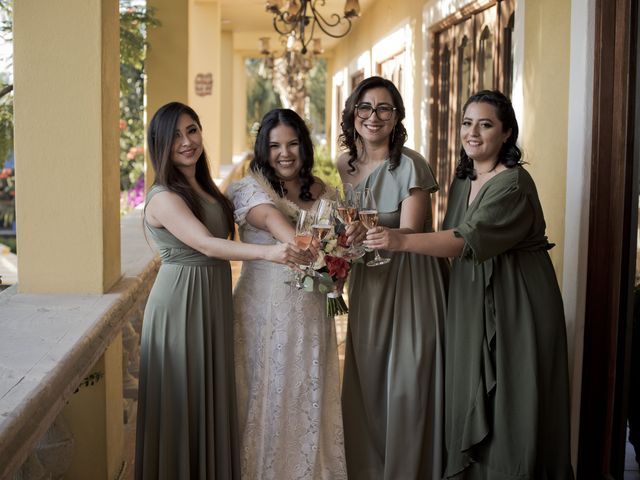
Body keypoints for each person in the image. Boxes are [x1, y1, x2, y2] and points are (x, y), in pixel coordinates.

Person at [365, 90, 575, 479]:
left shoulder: (513, 184)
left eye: (486, 124)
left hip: (516, 305)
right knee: (466, 395)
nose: (473, 133)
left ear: (507, 133)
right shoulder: (464, 178)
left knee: (511, 408)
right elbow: (449, 244)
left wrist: (400, 239)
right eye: (466, 123)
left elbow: (463, 239)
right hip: (468, 299)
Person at [135, 102, 308, 480]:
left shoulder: (204, 186)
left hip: (211, 301)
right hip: (181, 306)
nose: (186, 141)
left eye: (192, 130)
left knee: (208, 400)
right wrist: (271, 253)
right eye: (176, 135)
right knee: (184, 403)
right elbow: (208, 245)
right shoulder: (164, 195)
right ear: (160, 143)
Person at [336, 76, 449, 479]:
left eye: (385, 108)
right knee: (368, 375)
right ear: (352, 113)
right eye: (365, 107)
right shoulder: (344, 167)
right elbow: (340, 228)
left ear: (396, 117)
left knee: (408, 381)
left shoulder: (411, 165)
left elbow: (410, 233)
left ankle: (409, 469)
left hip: (410, 281)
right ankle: (369, 469)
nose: (373, 117)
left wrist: (372, 235)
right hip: (369, 283)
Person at [227, 108, 347, 479]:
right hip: (263, 314)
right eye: (275, 145)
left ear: (304, 147)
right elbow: (271, 221)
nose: (285, 153)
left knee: (308, 398)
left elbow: (340, 256)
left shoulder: (326, 193)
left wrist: (340, 269)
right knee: (267, 397)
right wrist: (307, 243)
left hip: (311, 313)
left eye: (293, 143)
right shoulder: (250, 189)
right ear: (263, 150)